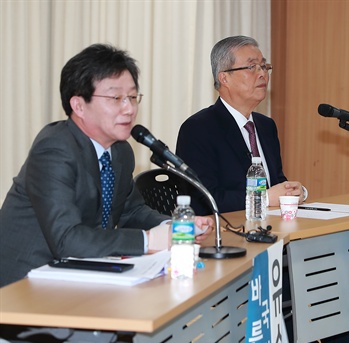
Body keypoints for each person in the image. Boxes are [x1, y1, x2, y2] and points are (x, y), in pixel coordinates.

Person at [0, 44, 214, 288]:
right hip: (25, 284)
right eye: (116, 98)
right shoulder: (54, 149)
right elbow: (67, 239)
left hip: (79, 273)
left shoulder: (120, 150)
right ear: (79, 105)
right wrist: (148, 240)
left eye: (133, 97)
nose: (130, 108)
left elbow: (130, 212)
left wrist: (174, 227)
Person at [176, 36, 307, 215]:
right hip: (226, 232)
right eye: (251, 67)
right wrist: (265, 198)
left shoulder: (266, 126)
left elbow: (275, 184)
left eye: (264, 66)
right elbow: (204, 199)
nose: (262, 73)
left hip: (271, 227)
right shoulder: (198, 129)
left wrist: (293, 192)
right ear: (224, 78)